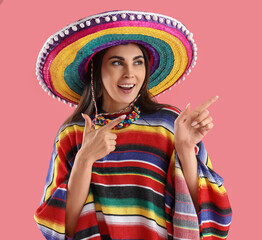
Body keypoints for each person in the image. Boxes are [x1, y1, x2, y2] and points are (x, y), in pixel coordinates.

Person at [34, 10, 232, 240]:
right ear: (95, 71)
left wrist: (186, 149)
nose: (130, 74)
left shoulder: (170, 124)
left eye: (137, 63)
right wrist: (84, 160)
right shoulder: (72, 134)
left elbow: (209, 215)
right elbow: (59, 229)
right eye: (117, 62)